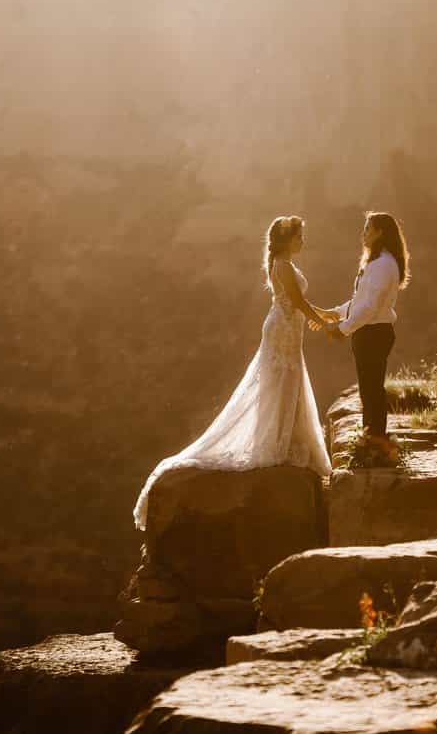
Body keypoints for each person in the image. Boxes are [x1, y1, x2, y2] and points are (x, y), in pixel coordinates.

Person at [132, 215, 334, 531]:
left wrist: (325, 314)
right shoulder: (283, 265)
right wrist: (323, 322)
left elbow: (298, 300)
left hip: (287, 328)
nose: (303, 242)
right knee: (282, 381)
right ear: (288, 239)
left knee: (285, 381)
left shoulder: (283, 264)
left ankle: (283, 439)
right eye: (299, 236)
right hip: (284, 329)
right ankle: (278, 442)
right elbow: (296, 301)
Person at [322, 212, 409, 460]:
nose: (363, 233)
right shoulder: (378, 262)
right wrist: (336, 313)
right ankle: (373, 441)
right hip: (369, 332)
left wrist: (343, 328)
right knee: (369, 390)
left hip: (373, 333)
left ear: (380, 232)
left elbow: (370, 307)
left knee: (371, 391)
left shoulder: (383, 265)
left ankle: (375, 444)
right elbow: (361, 300)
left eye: (368, 229)